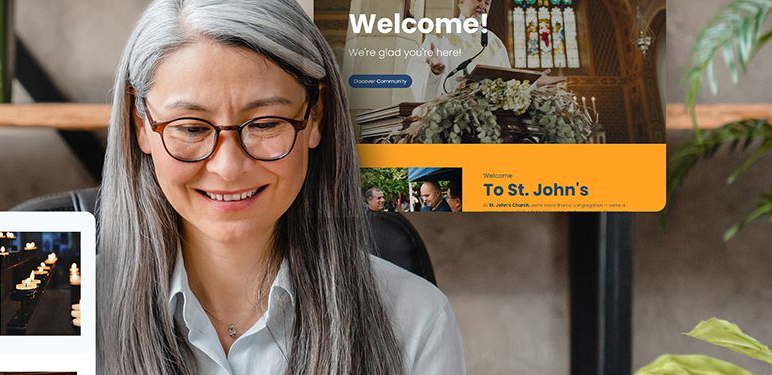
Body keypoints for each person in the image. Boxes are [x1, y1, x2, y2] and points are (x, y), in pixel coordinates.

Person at [96, 1, 464, 373]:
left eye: (265, 124)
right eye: (191, 128)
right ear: (140, 123)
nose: (228, 167)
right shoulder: (61, 311)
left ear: (315, 116)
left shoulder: (416, 321)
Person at [408, 0, 511, 101]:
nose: (483, 6)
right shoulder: (441, 32)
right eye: (478, 0)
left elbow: (507, 81)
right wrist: (433, 72)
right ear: (461, 2)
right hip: (451, 111)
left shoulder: (495, 43)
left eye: (487, 3)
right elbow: (416, 70)